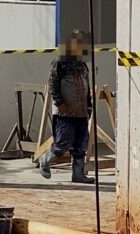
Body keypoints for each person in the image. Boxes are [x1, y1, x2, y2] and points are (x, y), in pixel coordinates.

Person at [40, 29, 95, 184]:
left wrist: (89, 106)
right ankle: (46, 159)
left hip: (81, 112)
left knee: (81, 144)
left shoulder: (82, 64)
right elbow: (53, 84)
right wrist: (60, 104)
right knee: (63, 142)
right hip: (65, 112)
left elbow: (87, 86)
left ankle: (78, 174)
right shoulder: (59, 62)